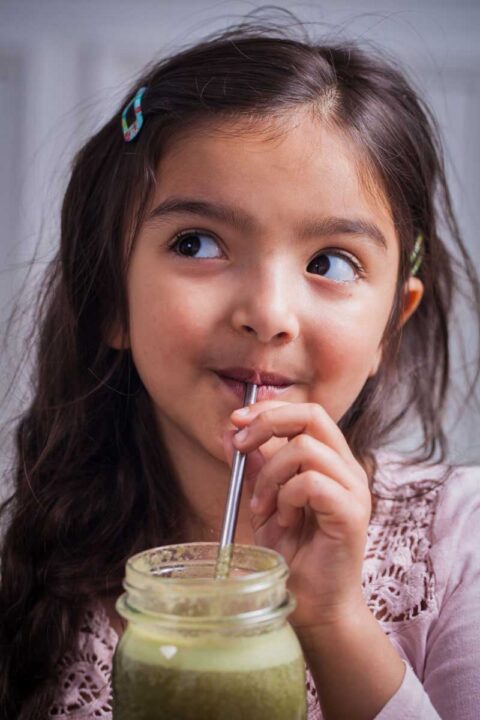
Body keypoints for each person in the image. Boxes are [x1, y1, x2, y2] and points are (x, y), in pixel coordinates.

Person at [1, 13, 479, 720]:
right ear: (111, 298)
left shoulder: (460, 538)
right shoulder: (34, 597)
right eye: (197, 244)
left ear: (391, 325)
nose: (268, 312)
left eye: (331, 263)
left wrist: (335, 624)